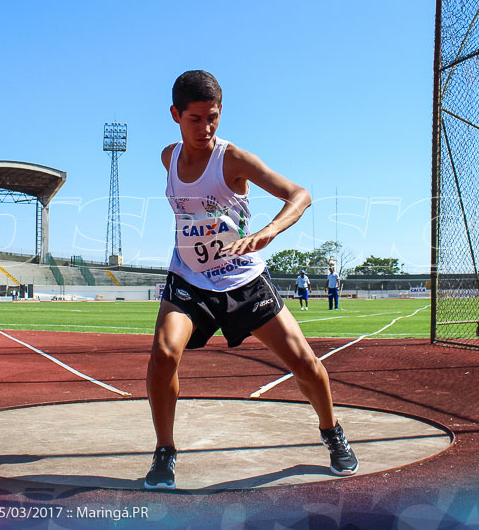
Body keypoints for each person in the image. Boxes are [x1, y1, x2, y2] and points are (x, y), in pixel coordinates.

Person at [145, 70, 358, 490]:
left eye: (213, 117)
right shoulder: (168, 158)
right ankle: (165, 450)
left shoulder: (233, 159)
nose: (206, 128)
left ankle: (332, 431)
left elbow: (300, 195)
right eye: (195, 119)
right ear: (175, 114)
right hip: (189, 279)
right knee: (164, 354)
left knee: (303, 363)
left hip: (244, 280)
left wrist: (269, 230)